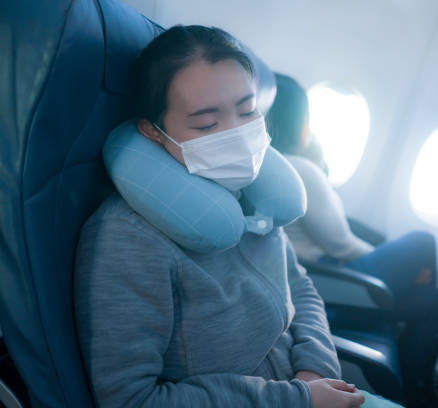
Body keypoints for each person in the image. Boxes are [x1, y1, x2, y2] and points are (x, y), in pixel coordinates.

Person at [73, 25, 368, 408]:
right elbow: (131, 400)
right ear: (153, 132)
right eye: (207, 125)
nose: (237, 136)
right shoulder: (126, 239)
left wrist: (314, 370)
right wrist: (296, 399)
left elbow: (300, 287)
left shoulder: (250, 194)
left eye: (248, 111)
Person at [265, 74, 438, 404]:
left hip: (326, 277)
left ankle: (416, 391)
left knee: (432, 301)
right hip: (334, 280)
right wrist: (400, 268)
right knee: (422, 240)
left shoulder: (278, 164)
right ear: (299, 120)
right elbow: (342, 245)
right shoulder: (299, 168)